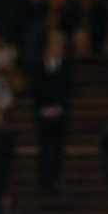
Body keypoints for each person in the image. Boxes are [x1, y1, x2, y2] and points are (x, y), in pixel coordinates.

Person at [34, 37, 74, 195]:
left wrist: (60, 107)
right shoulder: (39, 67)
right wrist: (42, 109)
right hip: (42, 114)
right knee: (44, 148)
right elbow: (36, 90)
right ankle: (43, 181)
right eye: (53, 47)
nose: (56, 50)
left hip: (60, 114)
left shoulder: (66, 67)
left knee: (58, 148)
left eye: (59, 47)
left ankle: (56, 180)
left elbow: (68, 89)